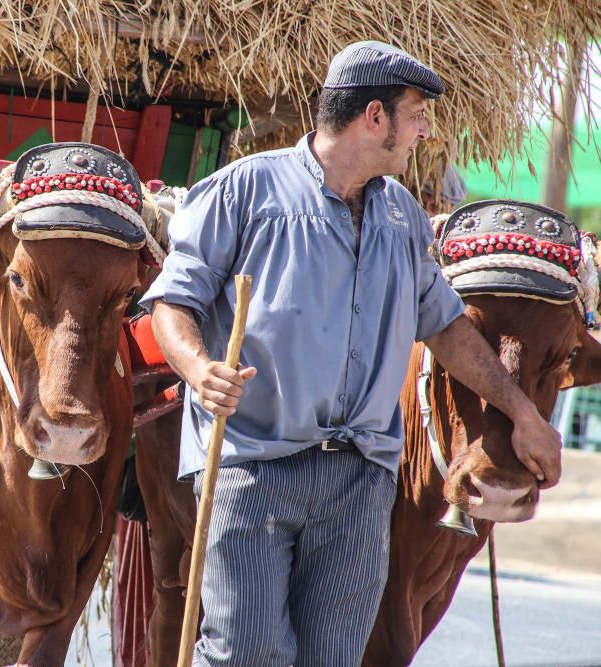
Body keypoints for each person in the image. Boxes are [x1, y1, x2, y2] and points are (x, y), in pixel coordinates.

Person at [138, 40, 562, 667]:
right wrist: (201, 370)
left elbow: (446, 329)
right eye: (415, 114)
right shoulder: (244, 192)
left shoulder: (404, 218)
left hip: (359, 481)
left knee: (335, 657)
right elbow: (172, 303)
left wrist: (521, 410)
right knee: (249, 653)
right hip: (251, 466)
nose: (423, 130)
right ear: (374, 117)